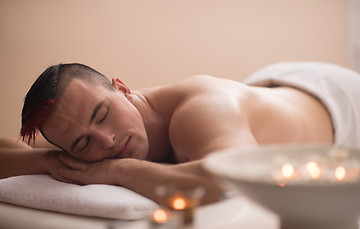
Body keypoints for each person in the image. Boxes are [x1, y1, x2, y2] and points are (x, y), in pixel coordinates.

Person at [0, 62, 359, 205]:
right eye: (82, 143)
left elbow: (230, 181)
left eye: (103, 114)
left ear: (122, 88)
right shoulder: (77, 129)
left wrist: (117, 169)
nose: (106, 141)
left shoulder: (201, 111)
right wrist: (50, 161)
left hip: (341, 104)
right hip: (265, 93)